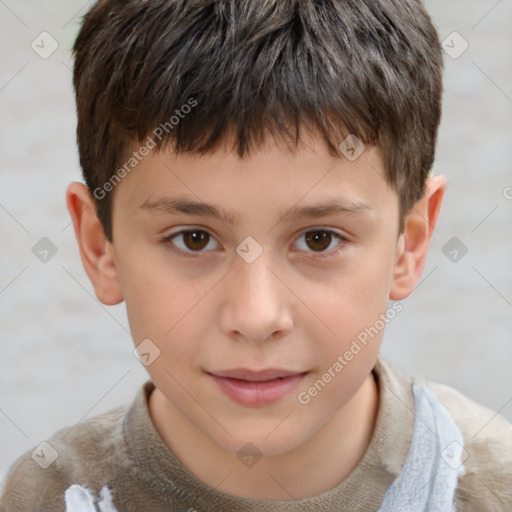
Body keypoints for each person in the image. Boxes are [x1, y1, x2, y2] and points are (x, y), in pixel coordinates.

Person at [1, 0, 511, 510]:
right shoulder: (50, 495)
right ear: (100, 247)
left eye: (319, 239)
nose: (256, 316)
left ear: (411, 241)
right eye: (193, 239)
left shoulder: (492, 486)